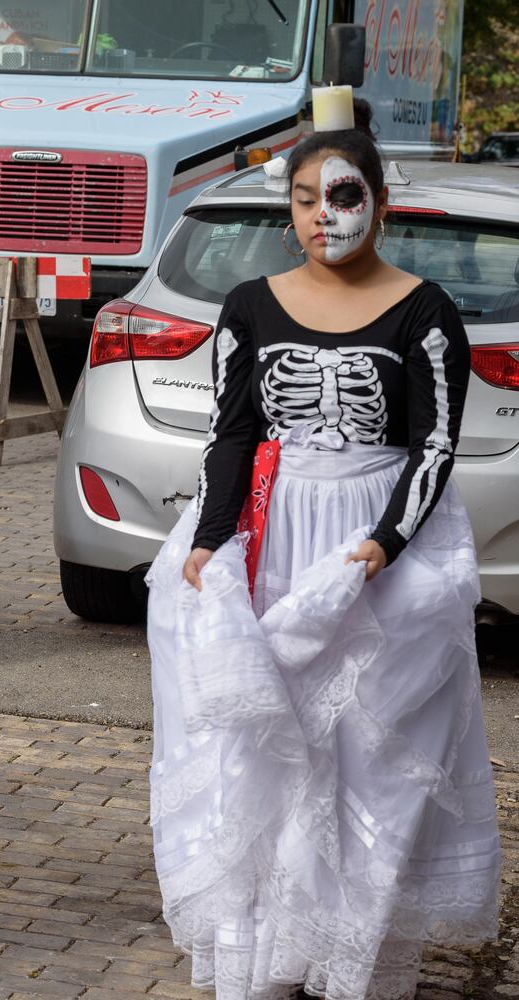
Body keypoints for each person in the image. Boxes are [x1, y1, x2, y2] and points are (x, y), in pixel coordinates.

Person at [147, 111, 501, 999]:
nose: (320, 216)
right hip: (275, 534)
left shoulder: (425, 310)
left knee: (359, 750)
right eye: (303, 199)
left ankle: (349, 950)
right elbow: (231, 435)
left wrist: (383, 545)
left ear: (379, 205)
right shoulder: (249, 306)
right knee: (268, 744)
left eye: (340, 196)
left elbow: (434, 447)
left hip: (368, 542)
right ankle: (265, 948)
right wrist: (210, 536)